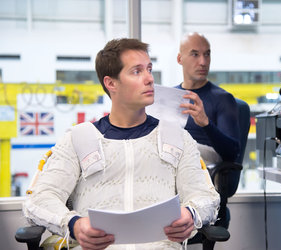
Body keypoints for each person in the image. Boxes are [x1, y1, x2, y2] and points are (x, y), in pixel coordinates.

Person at [23, 38, 220, 250]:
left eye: (149, 69)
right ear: (111, 83)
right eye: (137, 71)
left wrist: (191, 213)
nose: (149, 79)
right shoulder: (79, 138)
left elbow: (206, 196)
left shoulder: (177, 137)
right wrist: (73, 224)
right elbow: (38, 199)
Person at [175, 32, 241, 166]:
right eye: (195, 54)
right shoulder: (171, 96)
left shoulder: (223, 99)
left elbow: (232, 154)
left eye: (207, 54)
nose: (203, 62)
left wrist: (206, 123)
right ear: (180, 59)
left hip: (203, 166)